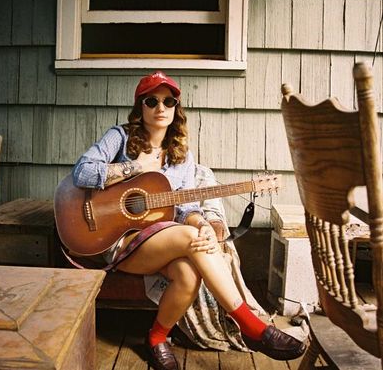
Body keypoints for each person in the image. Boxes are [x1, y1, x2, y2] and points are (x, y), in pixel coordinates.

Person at [72, 71, 306, 370]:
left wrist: (203, 224)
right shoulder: (120, 137)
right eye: (151, 101)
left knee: (188, 273)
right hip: (116, 238)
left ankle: (157, 338)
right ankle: (252, 326)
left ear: (175, 108)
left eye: (168, 101)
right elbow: (82, 172)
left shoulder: (181, 156)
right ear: (140, 107)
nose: (160, 107)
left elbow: (186, 208)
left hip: (158, 243)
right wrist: (134, 168)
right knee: (187, 237)